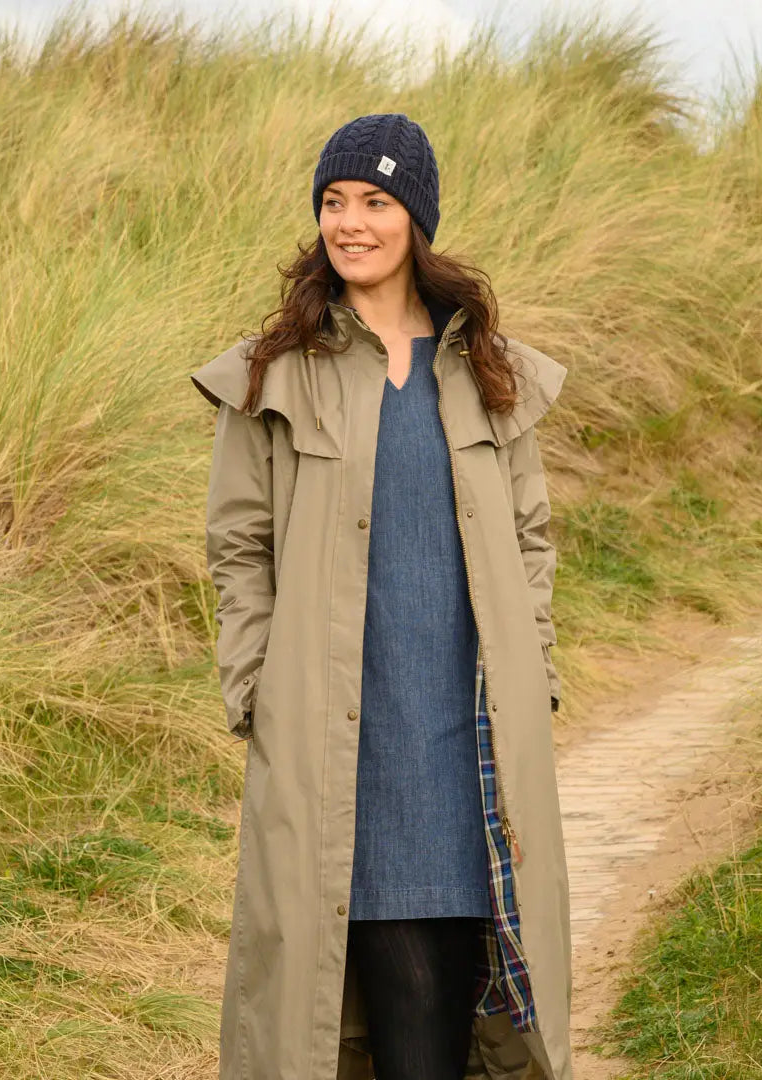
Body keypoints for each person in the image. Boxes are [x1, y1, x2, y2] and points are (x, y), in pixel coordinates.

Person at [190, 113, 574, 1080]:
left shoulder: (490, 371)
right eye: (333, 201)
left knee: (447, 1013)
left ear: (418, 219)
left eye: (375, 201)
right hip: (339, 741)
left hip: (467, 744)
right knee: (365, 1012)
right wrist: (254, 686)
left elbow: (530, 540)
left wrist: (537, 675)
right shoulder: (275, 372)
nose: (349, 223)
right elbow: (239, 545)